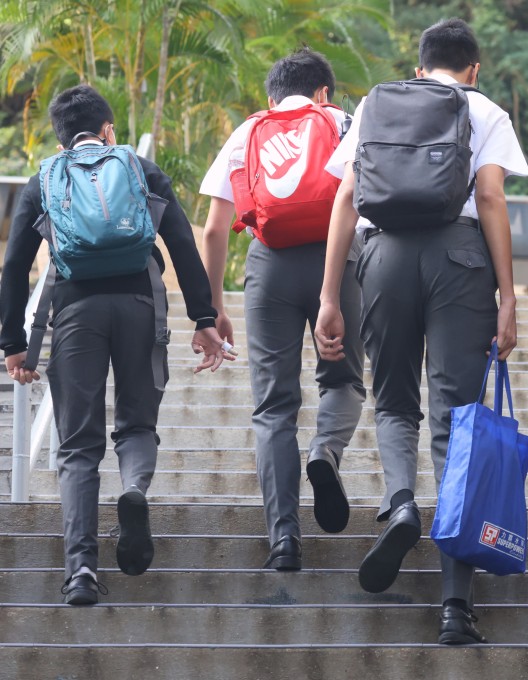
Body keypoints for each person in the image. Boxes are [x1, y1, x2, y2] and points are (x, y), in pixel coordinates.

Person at [314, 18, 528, 645]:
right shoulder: (485, 110)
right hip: (460, 261)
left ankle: (402, 501)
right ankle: (455, 605)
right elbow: (490, 199)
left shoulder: (374, 106)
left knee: (395, 399)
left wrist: (331, 296)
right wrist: (507, 295)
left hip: (382, 260)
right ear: (473, 69)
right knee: (457, 420)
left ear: (418, 67)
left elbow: (346, 199)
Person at [0, 84, 230, 605]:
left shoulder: (46, 179)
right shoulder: (137, 169)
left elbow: (15, 266)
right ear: (109, 131)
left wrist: (14, 342)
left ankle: (80, 570)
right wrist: (204, 317)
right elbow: (181, 243)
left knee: (78, 445)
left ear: (60, 142)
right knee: (136, 424)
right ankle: (133, 490)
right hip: (140, 306)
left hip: (75, 312)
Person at [199, 47, 366, 571]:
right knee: (343, 380)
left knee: (273, 407)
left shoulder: (249, 130)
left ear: (271, 96)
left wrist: (212, 309)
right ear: (323, 93)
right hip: (335, 261)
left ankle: (284, 539)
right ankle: (325, 452)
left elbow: (212, 228)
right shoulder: (342, 121)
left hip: (267, 266)